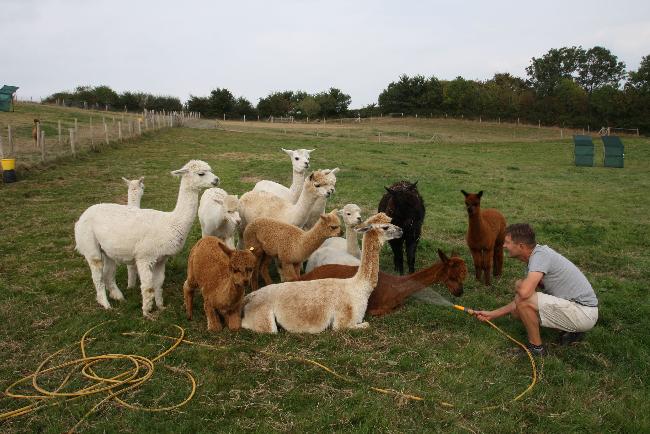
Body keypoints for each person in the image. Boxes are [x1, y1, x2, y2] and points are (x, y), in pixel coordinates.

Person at [474, 223, 598, 356]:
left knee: (524, 302)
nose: (504, 246)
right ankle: (572, 331)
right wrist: (493, 314)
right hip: (580, 310)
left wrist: (518, 284)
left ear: (521, 246)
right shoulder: (536, 257)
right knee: (518, 311)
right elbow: (523, 297)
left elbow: (525, 294)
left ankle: (536, 349)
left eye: (507, 242)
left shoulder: (540, 256)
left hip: (584, 312)